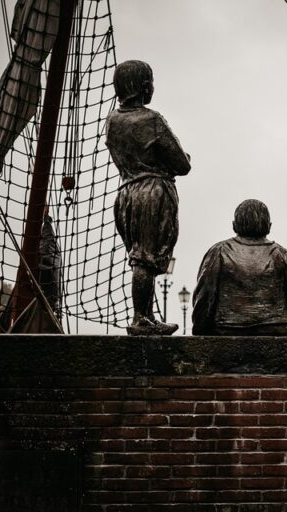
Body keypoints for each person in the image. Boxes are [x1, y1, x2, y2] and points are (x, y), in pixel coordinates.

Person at [105, 60, 191, 335]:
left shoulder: (113, 120)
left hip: (126, 193)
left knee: (141, 256)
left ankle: (147, 316)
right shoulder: (151, 120)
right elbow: (182, 164)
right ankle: (141, 318)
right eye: (151, 82)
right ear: (143, 87)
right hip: (151, 193)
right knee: (145, 258)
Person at [192, 199, 287, 336]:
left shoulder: (218, 252)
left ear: (234, 225)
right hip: (276, 329)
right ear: (269, 226)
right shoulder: (283, 256)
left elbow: (205, 296)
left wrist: (200, 328)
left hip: (227, 328)